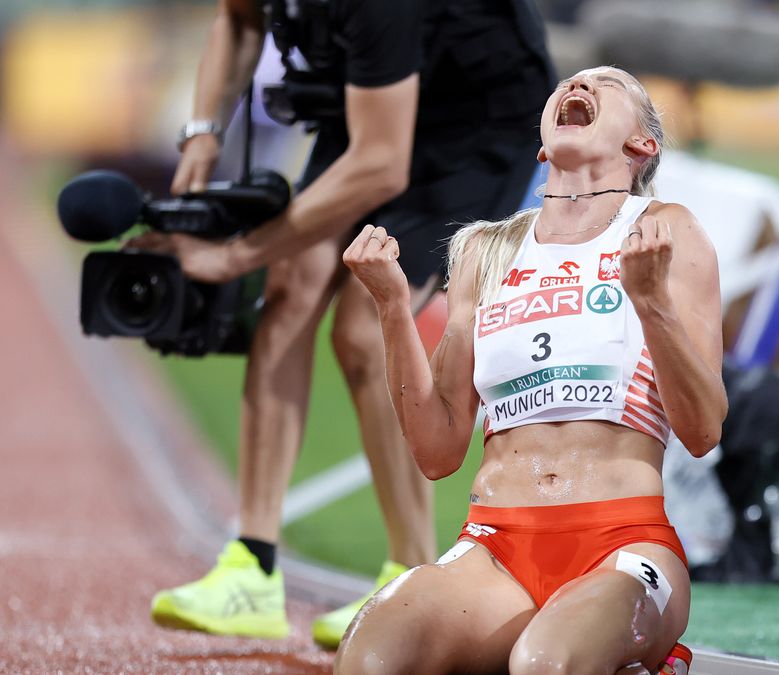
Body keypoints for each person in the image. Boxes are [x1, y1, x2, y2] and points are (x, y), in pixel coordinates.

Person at [132, 0, 553, 647]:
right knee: (290, 284)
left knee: (361, 328)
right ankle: (252, 566)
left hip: (473, 123)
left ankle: (410, 578)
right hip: (370, 99)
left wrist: (232, 254)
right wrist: (203, 131)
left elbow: (381, 164)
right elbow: (239, 19)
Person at [335, 66, 726, 675]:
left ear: (642, 145)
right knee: (369, 658)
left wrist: (650, 303)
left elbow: (703, 430)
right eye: (570, 82)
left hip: (623, 542)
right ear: (543, 146)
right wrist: (391, 309)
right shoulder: (483, 251)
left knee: (544, 665)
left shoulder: (664, 232)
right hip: (494, 550)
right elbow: (437, 451)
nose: (580, 86)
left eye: (606, 84)